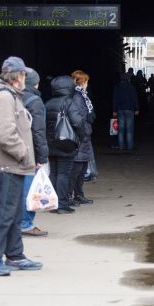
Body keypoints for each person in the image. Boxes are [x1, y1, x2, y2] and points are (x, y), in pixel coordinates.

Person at [0, 56, 42, 276]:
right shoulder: (4, 98)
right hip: (7, 165)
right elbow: (6, 134)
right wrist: (24, 153)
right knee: (4, 214)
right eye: (24, 74)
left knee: (15, 213)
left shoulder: (11, 95)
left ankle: (15, 255)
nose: (25, 78)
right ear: (17, 76)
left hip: (14, 165)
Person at [45, 75, 85, 213]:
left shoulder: (48, 103)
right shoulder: (69, 102)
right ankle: (62, 204)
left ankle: (53, 203)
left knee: (54, 172)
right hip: (65, 143)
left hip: (50, 143)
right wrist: (81, 137)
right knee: (64, 173)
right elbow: (78, 122)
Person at [20, 69, 49, 236]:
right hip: (29, 151)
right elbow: (38, 131)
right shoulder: (35, 101)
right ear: (36, 83)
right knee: (28, 188)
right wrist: (42, 156)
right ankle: (26, 223)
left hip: (12, 150)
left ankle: (15, 222)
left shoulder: (13, 97)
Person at [70, 70, 95, 205]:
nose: (87, 84)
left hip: (85, 134)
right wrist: (83, 132)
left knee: (82, 167)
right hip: (81, 136)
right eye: (86, 81)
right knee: (77, 168)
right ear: (82, 82)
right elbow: (79, 118)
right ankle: (71, 195)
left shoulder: (82, 96)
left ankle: (79, 194)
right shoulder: (77, 97)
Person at [112, 73, 139, 151]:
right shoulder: (132, 87)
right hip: (130, 110)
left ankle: (121, 147)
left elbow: (114, 99)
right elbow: (134, 98)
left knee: (120, 130)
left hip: (120, 110)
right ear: (128, 79)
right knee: (129, 130)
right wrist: (137, 108)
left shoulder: (117, 87)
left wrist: (114, 110)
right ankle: (130, 147)